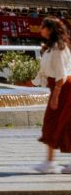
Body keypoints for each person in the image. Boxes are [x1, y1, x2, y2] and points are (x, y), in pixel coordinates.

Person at [35, 18, 71, 173]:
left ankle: (50, 162)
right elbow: (45, 73)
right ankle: (49, 162)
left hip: (64, 90)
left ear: (50, 29)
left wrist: (56, 95)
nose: (40, 29)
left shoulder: (59, 48)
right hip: (59, 89)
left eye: (43, 27)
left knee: (65, 125)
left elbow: (61, 74)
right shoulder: (51, 48)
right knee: (52, 124)